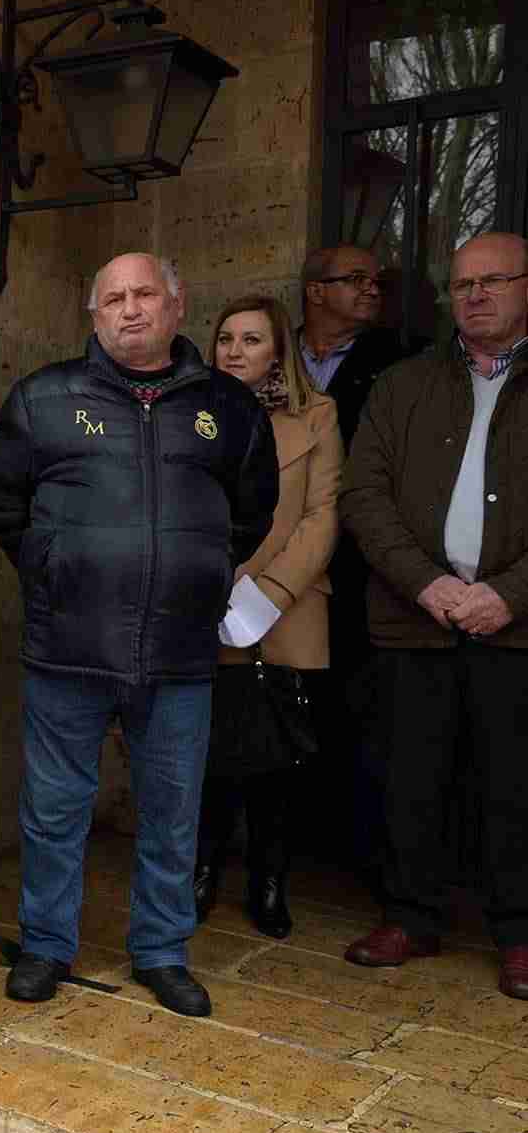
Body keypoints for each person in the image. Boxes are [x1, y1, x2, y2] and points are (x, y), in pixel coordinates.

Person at [0, 253, 277, 1018]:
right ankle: (45, 944)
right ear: (93, 313)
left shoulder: (229, 408)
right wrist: (55, 564)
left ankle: (164, 950)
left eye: (146, 294)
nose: (130, 309)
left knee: (173, 808)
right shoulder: (44, 398)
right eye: (113, 298)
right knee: (54, 805)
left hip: (179, 647)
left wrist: (198, 567)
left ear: (177, 307)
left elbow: (251, 511)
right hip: (69, 643)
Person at [339, 232, 528, 997]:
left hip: (516, 627)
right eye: (461, 284)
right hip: (416, 618)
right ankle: (411, 916)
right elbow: (363, 496)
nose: (475, 295)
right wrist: (427, 583)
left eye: (493, 281)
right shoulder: (402, 383)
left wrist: (509, 594)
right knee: (409, 776)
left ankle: (518, 932)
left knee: (514, 784)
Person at [197, 298, 341, 938]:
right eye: (225, 338)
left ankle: (270, 881)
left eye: (251, 339)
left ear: (279, 350)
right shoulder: (193, 412)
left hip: (288, 605)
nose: (233, 350)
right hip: (207, 600)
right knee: (209, 751)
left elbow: (323, 515)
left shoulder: (318, 416)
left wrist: (270, 591)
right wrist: (214, 581)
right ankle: (199, 874)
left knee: (279, 758)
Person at [296, 243, 418, 881]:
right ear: (316, 291)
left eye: (378, 281)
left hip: (358, 568)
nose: (373, 290)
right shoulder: (267, 352)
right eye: (356, 279)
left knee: (355, 710)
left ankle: (350, 856)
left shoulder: (397, 364)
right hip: (271, 569)